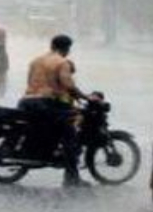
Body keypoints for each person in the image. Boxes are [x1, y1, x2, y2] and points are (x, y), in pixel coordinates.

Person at [19, 34, 96, 187]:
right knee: (70, 135)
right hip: (44, 103)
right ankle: (72, 178)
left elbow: (30, 82)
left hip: (26, 102)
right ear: (67, 48)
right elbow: (68, 84)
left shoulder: (36, 60)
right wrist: (85, 97)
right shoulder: (62, 62)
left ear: (52, 46)